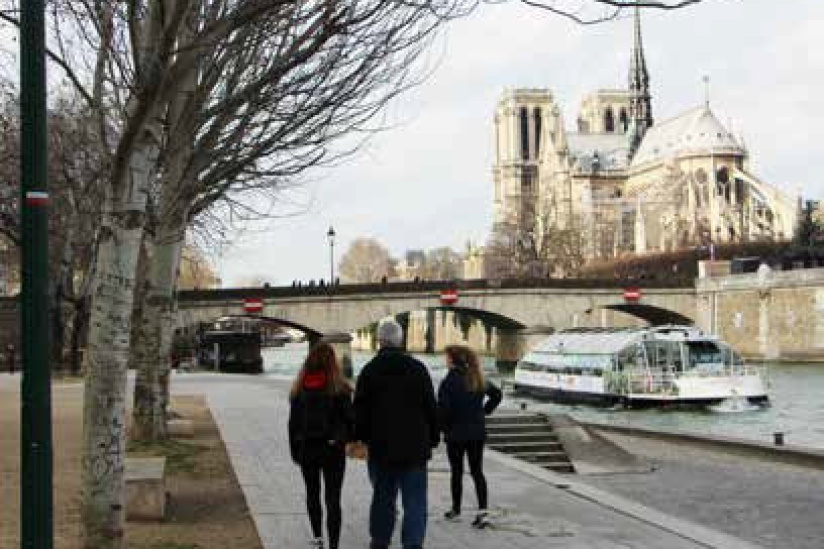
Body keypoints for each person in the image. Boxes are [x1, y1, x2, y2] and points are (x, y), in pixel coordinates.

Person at [354, 319, 438, 549]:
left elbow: (359, 412)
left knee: (383, 498)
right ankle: (412, 543)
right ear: (401, 341)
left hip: (381, 448)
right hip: (415, 448)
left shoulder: (370, 371)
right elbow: (431, 407)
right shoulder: (418, 369)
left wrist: (360, 438)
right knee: (415, 501)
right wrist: (433, 438)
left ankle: (380, 541)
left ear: (379, 341)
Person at [288, 343, 354, 549]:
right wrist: (340, 438)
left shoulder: (299, 389)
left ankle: (318, 538)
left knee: (312, 494)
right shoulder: (340, 389)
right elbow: (350, 422)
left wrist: (295, 451)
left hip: (307, 449)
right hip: (332, 450)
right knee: (333, 499)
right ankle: (334, 544)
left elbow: (293, 424)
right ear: (333, 362)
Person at [438, 345, 502, 528]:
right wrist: (485, 411)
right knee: (477, 471)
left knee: (456, 471)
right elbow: (497, 394)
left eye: (447, 357)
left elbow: (443, 410)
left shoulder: (448, 381)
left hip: (455, 433)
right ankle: (483, 512)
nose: (445, 360)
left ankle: (456, 509)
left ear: (453, 360)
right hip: (476, 432)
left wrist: (442, 428)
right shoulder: (476, 377)